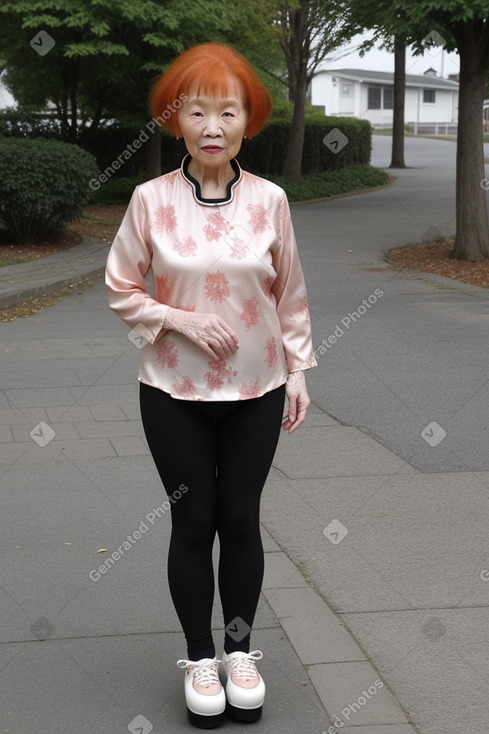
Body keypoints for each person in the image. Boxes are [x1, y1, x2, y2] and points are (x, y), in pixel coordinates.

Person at [105, 42, 317, 729]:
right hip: (172, 392)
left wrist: (299, 368)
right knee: (193, 521)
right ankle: (200, 658)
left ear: (248, 119)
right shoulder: (149, 200)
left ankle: (240, 653)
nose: (212, 125)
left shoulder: (270, 200)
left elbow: (289, 293)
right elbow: (119, 287)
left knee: (241, 520)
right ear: (177, 119)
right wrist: (179, 319)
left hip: (256, 389)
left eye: (227, 110)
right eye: (197, 110)